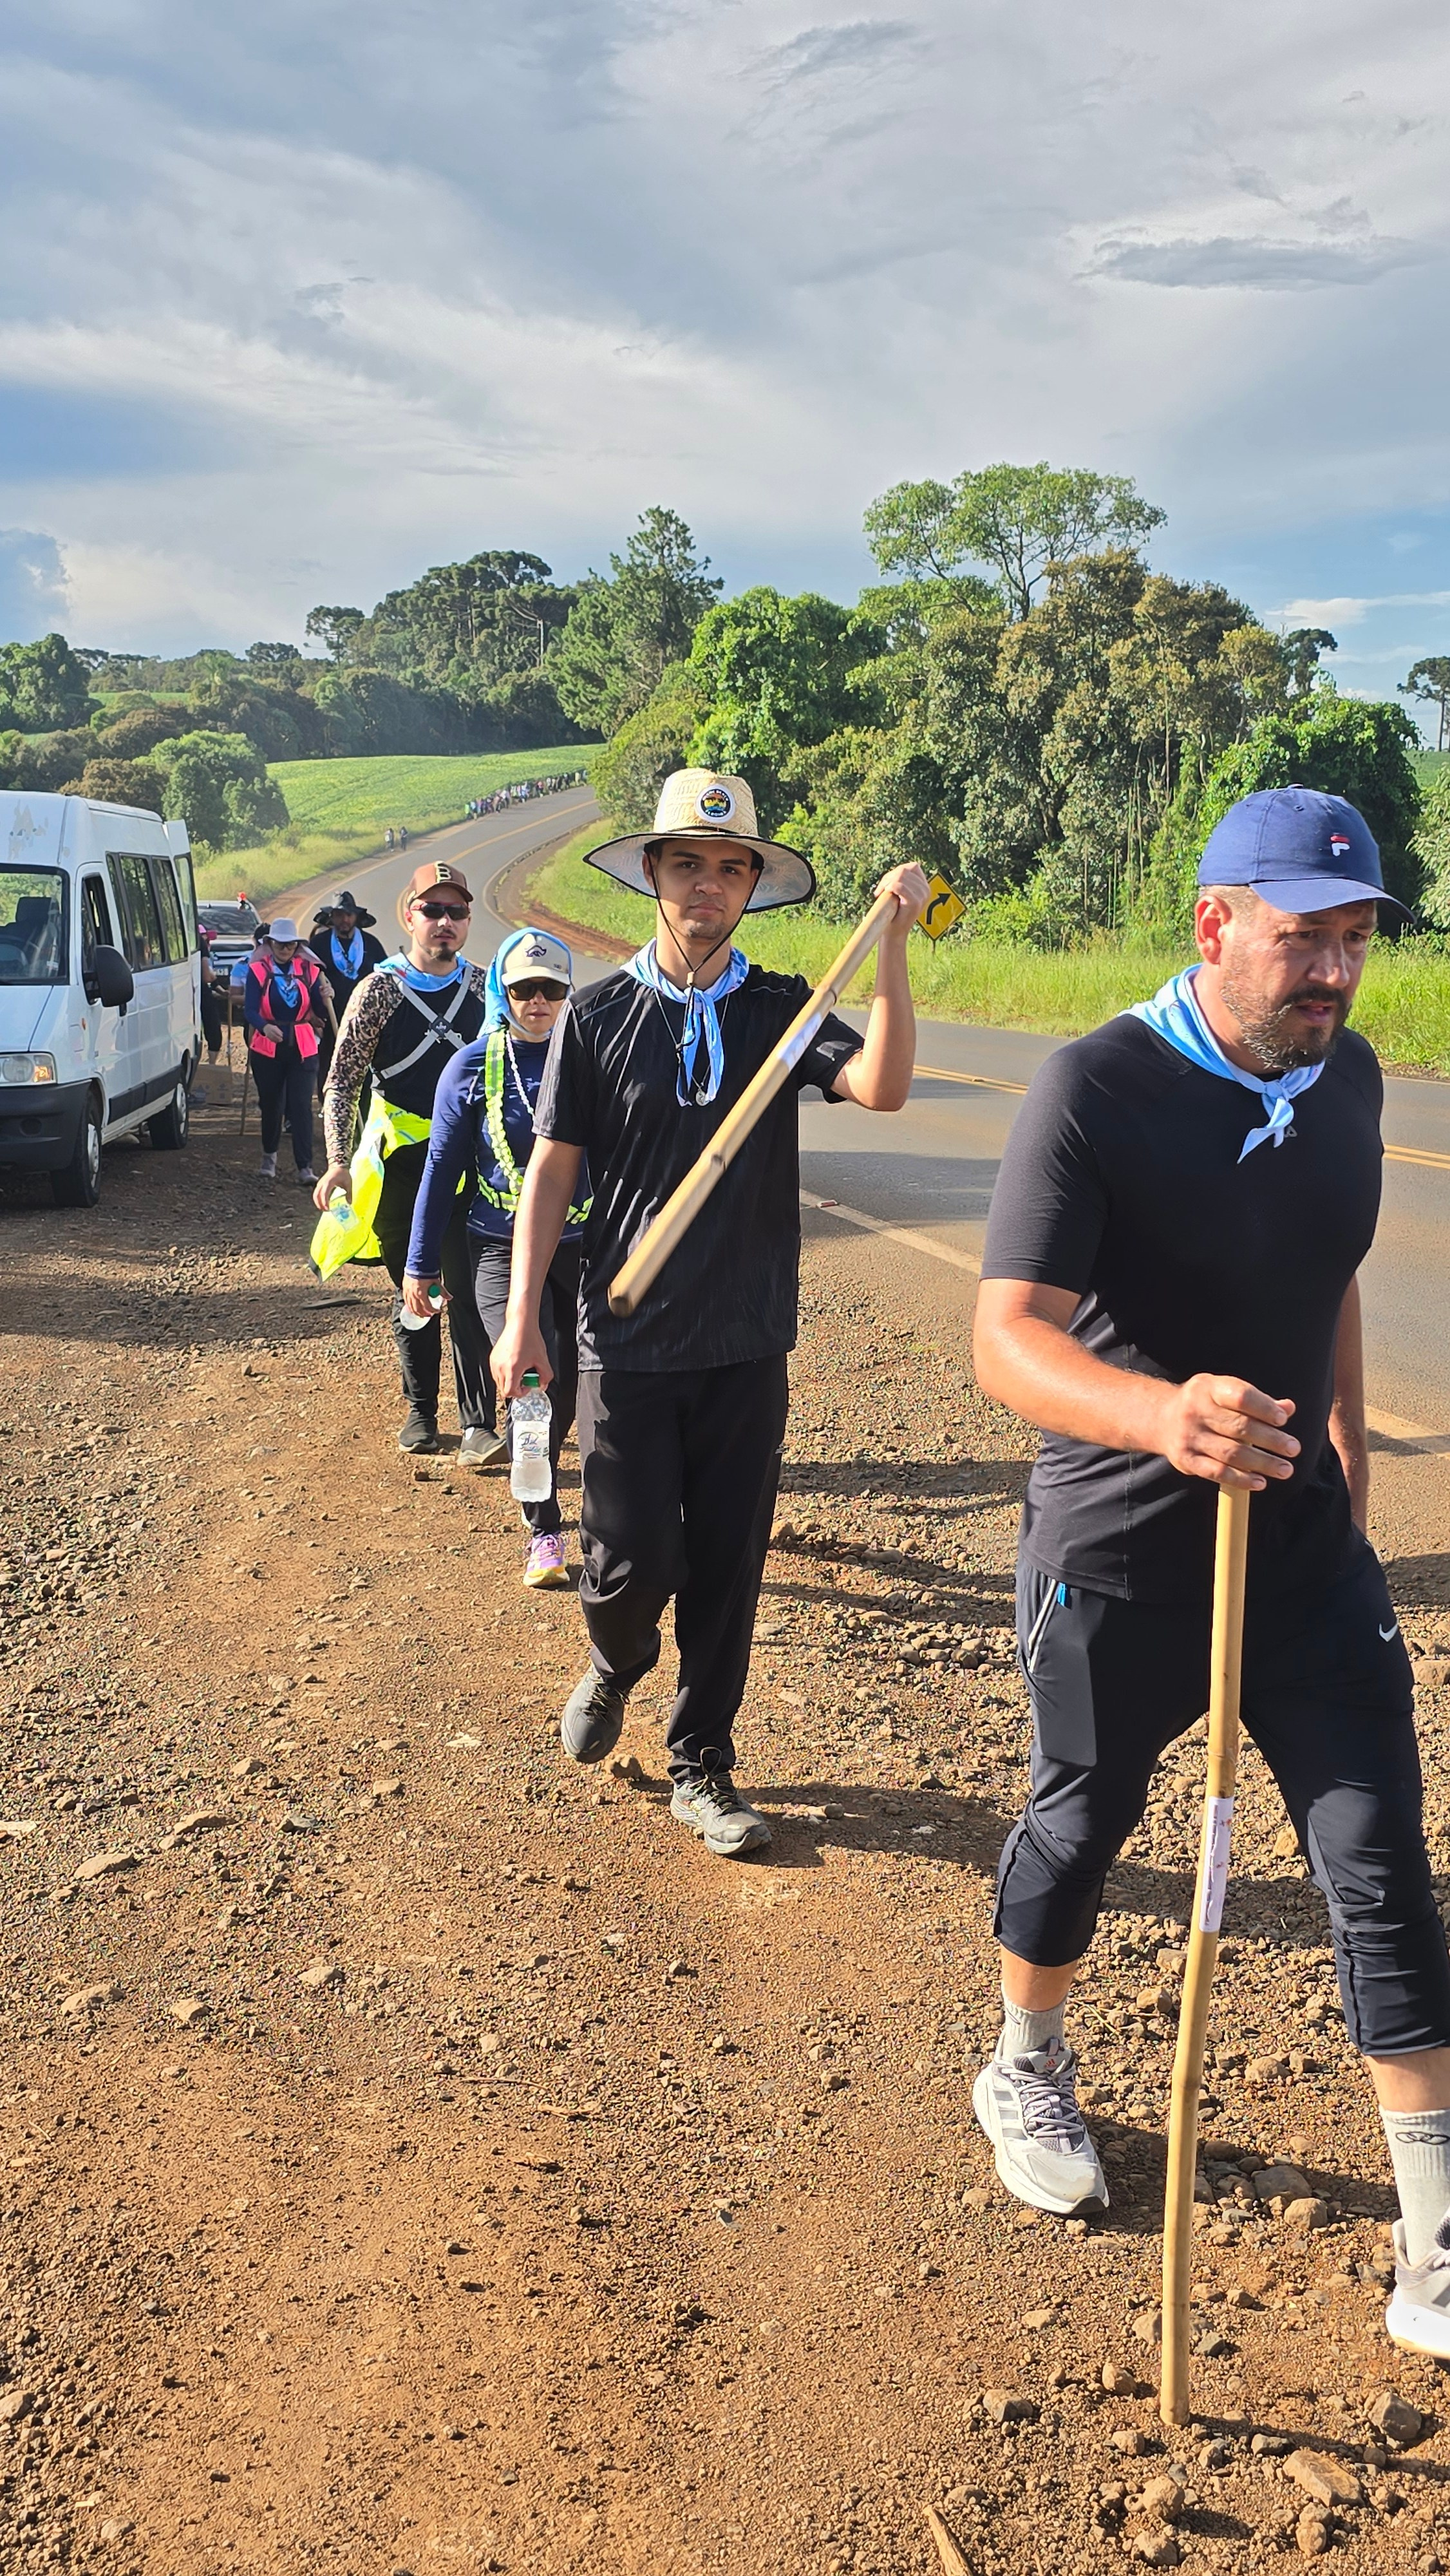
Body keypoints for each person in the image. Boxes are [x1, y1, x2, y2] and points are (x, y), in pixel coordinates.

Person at [968, 785, 1450, 2351]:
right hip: (1116, 1550)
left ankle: (1434, 2235)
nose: (1327, 975)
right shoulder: (1092, 1087)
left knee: (1377, 1864)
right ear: (1211, 923)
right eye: (1298, 941)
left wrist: (1349, 1465)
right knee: (1078, 1823)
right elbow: (1005, 1338)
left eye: (1352, 943)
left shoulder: (1346, 1072)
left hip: (1298, 1550)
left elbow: (1326, 1270)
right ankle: (1023, 2060)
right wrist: (1159, 1413)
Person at [490, 769, 928, 1860]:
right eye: (689, 863)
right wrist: (520, 1322)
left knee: (729, 1564)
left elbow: (881, 1087)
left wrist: (893, 950)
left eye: (731, 869)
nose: (709, 885)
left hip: (745, 1338)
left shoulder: (783, 1012)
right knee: (627, 1562)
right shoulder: (595, 1017)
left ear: (750, 889)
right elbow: (553, 1170)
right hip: (625, 1342)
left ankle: (704, 1763)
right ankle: (613, 1657)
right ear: (653, 873)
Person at [403, 928, 588, 1588]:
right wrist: (419, 1264)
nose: (537, 1001)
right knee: (533, 1389)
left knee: (573, 1392)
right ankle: (543, 1533)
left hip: (584, 1249)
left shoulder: (594, 1057)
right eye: (523, 989)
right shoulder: (471, 1066)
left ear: (568, 994)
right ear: (501, 992)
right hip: (499, 1251)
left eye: (551, 989)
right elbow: (439, 1170)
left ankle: (547, 1471)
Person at [310, 859, 499, 1460]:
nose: (444, 922)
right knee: (417, 1290)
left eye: (457, 912)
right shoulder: (379, 991)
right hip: (401, 1167)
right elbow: (341, 1082)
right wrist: (338, 1161)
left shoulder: (485, 989)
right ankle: (421, 1413)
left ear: (468, 920)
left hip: (472, 1165)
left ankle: (479, 1425)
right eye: (432, 910)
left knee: (470, 1293)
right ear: (409, 915)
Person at [244, 917, 331, 1184]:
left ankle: (305, 1167)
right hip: (267, 1046)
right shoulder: (258, 971)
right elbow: (249, 1009)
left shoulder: (310, 971)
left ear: (297, 946)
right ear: (270, 944)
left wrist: (326, 994)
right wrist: (264, 1027)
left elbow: (318, 1007)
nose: (285, 949)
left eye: (290, 945)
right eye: (280, 945)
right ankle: (269, 1158)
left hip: (303, 1044)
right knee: (272, 1104)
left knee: (301, 1105)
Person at [308, 891, 385, 1090]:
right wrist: (312, 1013)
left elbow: (385, 982)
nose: (344, 920)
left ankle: (362, 1112)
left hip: (364, 1020)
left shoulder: (372, 944)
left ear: (356, 918)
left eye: (349, 915)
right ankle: (329, 1110)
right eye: (339, 915)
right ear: (332, 917)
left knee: (364, 1066)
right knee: (328, 1066)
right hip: (329, 1019)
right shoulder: (319, 944)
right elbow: (305, 980)